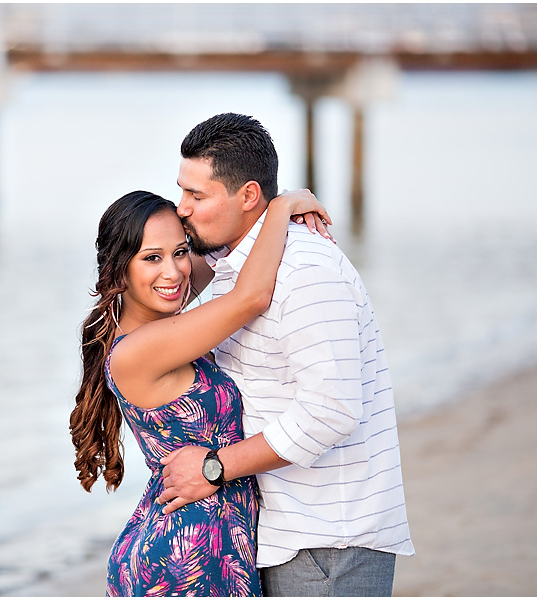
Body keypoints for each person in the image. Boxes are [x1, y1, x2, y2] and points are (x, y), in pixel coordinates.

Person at [157, 112, 415, 596]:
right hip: (280, 532)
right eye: (182, 191)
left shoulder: (306, 268)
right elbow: (152, 275)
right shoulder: (232, 262)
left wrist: (214, 466)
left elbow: (331, 409)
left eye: (196, 195)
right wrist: (286, 202)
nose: (183, 208)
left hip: (328, 540)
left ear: (249, 195)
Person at [69, 188, 331, 596]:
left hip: (204, 541)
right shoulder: (140, 349)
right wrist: (280, 207)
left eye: (179, 251)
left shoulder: (157, 320)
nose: (173, 272)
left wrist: (240, 210)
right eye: (151, 258)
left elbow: (212, 258)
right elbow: (251, 297)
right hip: (188, 555)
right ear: (120, 270)